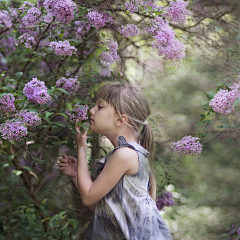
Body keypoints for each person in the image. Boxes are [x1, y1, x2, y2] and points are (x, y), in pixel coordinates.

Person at [58, 83, 173, 240]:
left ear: (120, 119)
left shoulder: (125, 155)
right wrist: (76, 175)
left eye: (100, 106)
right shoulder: (129, 154)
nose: (91, 110)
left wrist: (81, 148)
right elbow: (104, 213)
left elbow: (88, 197)